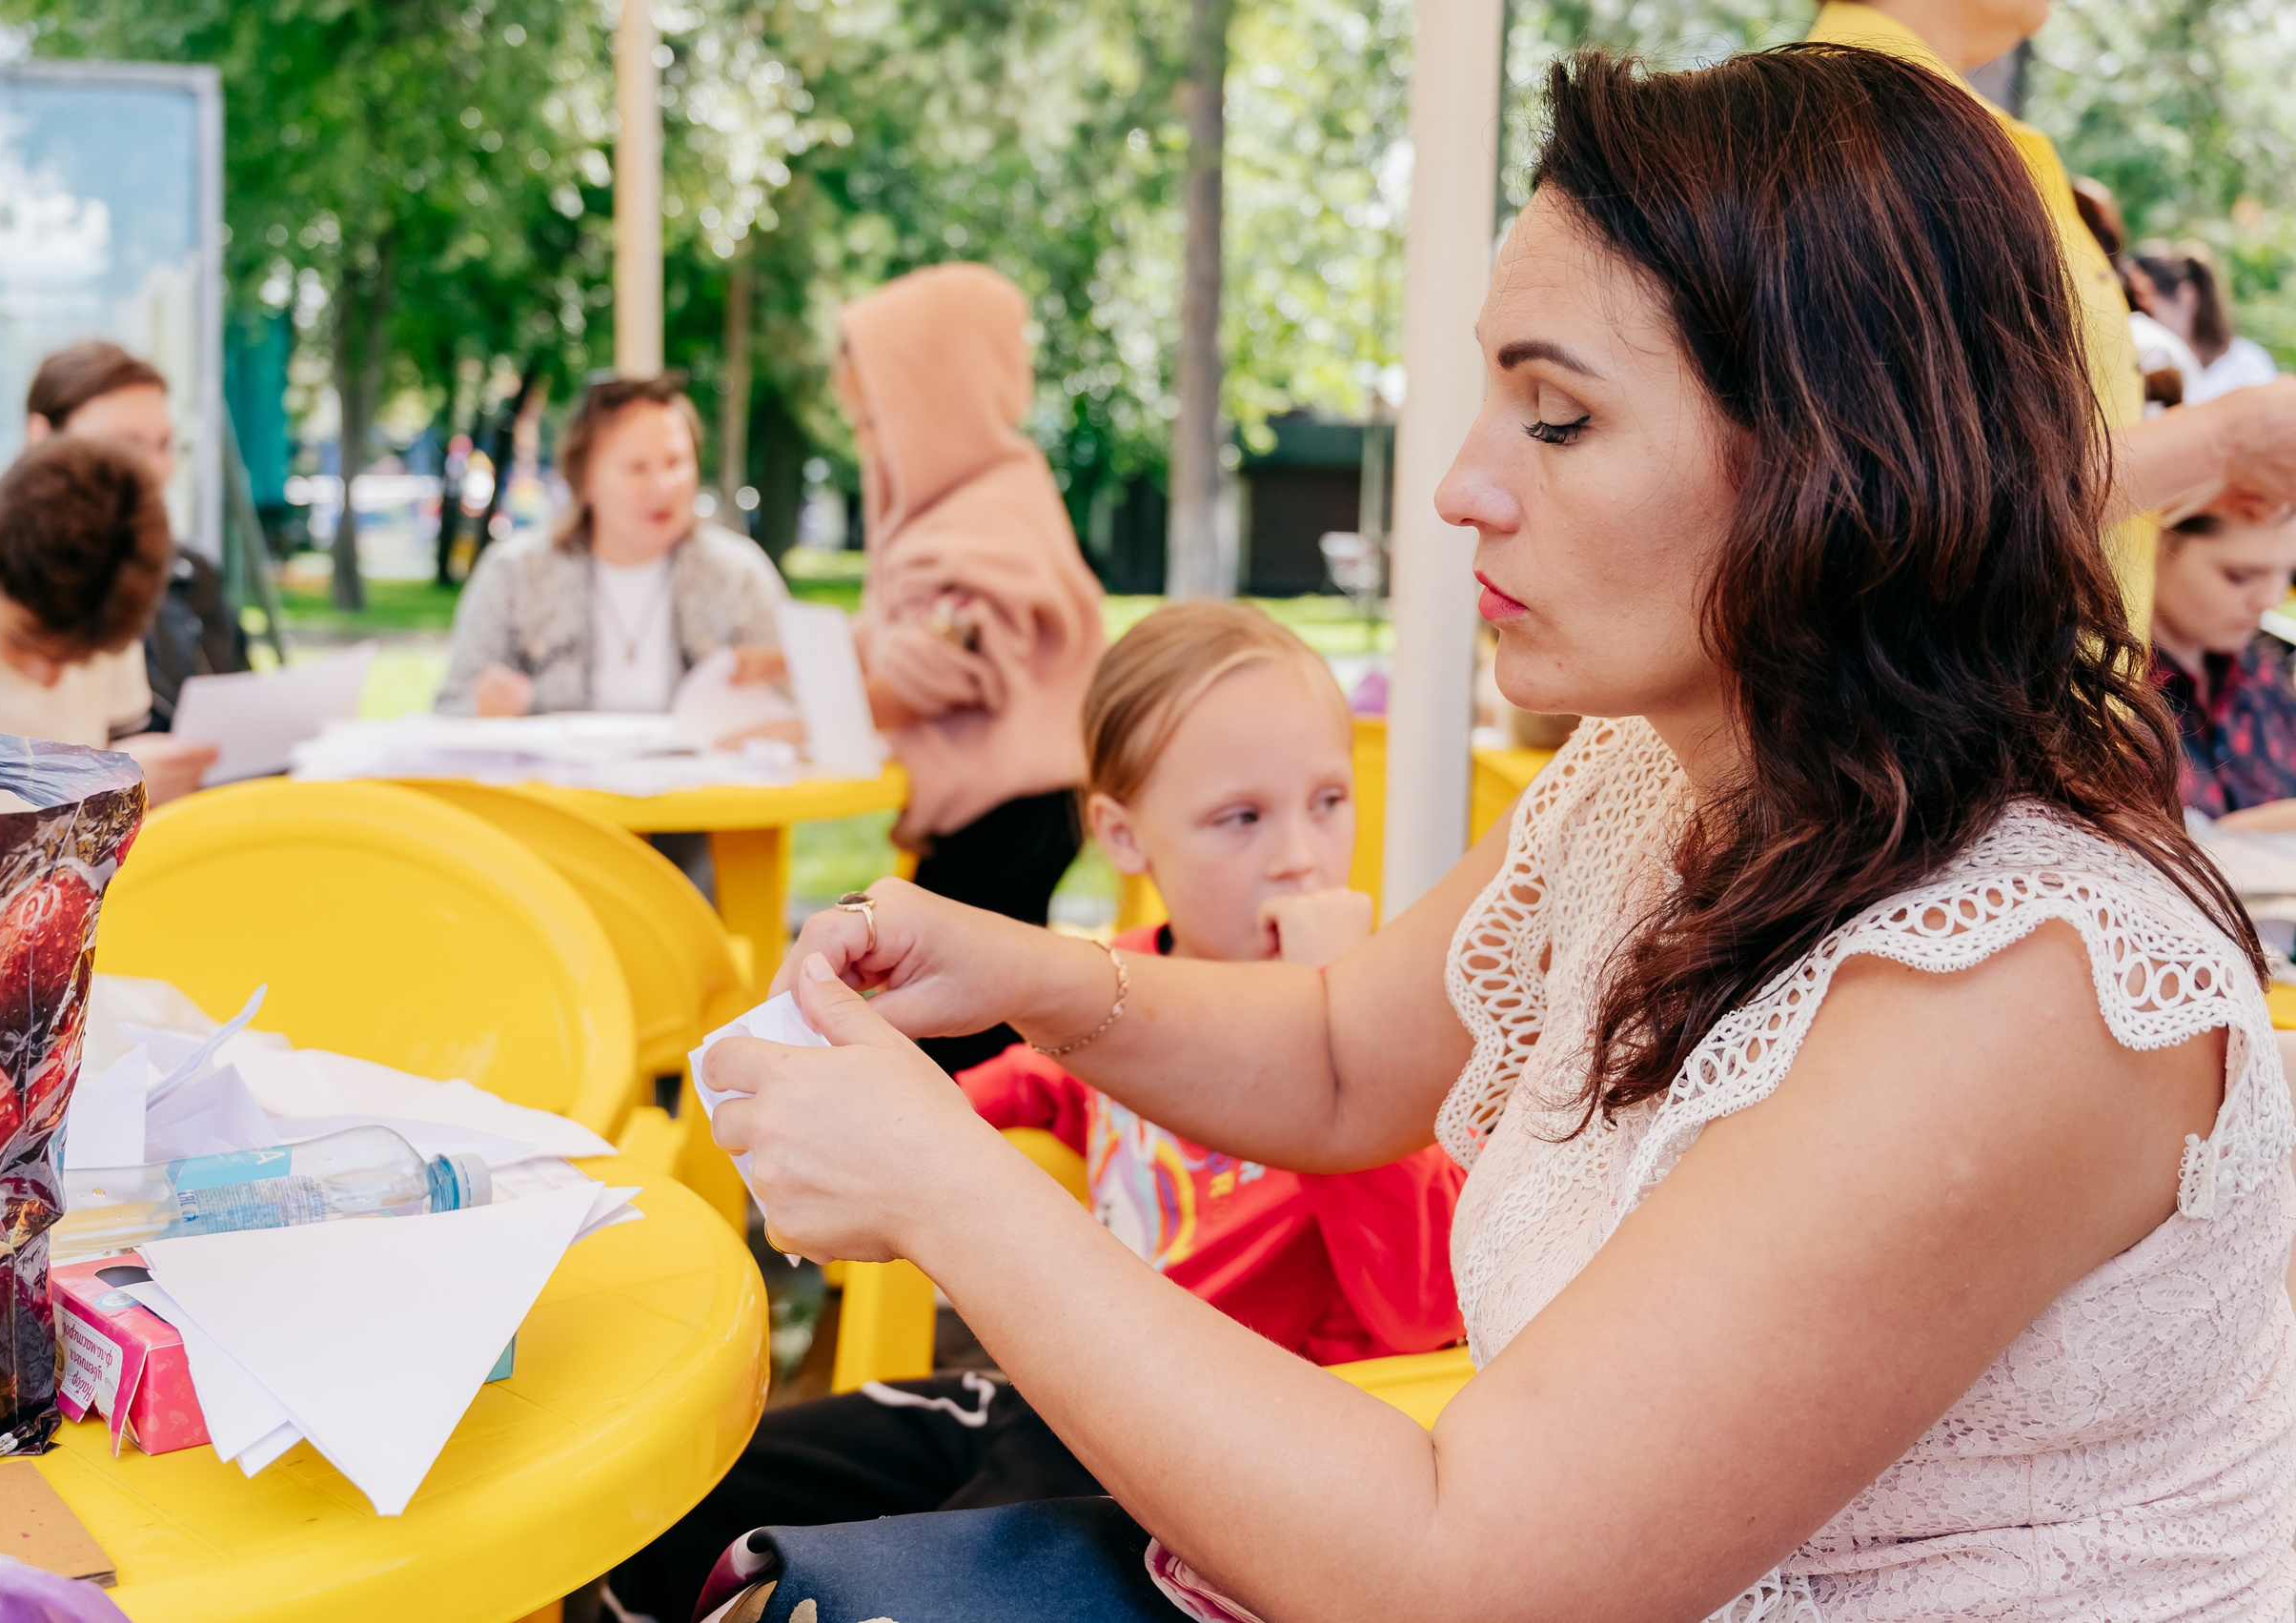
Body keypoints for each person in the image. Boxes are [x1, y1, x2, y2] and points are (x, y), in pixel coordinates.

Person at [702, 46, 2294, 1620]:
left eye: (1559, 417)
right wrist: (1023, 974)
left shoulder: (2017, 984)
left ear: (1838, 462)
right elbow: (1342, 1054)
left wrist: (948, 1186)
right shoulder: (1658, 772)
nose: (1462, 484)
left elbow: (1468, 1572)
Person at [607, 601, 1462, 1620]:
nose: (1299, 856)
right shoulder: (1114, 994)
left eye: (1328, 801)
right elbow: (1029, 1085)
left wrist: (1331, 1008)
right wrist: (880, 1113)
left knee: (866, 1579)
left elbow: (1421, 1305)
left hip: (1249, 1465)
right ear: (1121, 834)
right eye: (1242, 817)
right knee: (681, 1488)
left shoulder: (1400, 1039)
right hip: (1063, 1391)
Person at [1807, 0, 2296, 623]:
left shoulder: (1927, 127)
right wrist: (2223, 440)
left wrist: (2189, 475)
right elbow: (1891, 508)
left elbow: (2016, 481)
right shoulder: (1859, 131)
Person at [835, 264, 1107, 1073]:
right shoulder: (976, 505)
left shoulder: (983, 519)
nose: (867, 447)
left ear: (936, 408)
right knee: (960, 995)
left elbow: (939, 665)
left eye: (877, 424)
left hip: (1011, 815)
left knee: (959, 1014)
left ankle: (984, 1122)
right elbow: (900, 631)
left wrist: (813, 717)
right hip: (1011, 810)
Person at [0, 436, 216, 801]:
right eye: (23, 642)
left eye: (80, 660)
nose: (48, 681)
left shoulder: (107, 584)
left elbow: (117, 738)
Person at [435, 372, 788, 721]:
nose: (662, 485)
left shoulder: (738, 575)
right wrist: (485, 706)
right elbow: (452, 706)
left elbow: (792, 703)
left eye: (675, 462)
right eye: (637, 468)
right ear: (584, 479)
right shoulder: (516, 572)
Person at [18, 340, 252, 729]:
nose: (155, 469)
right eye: (125, 446)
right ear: (41, 438)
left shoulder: (190, 573)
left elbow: (242, 698)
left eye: (164, 445)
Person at [2147, 508, 2296, 826]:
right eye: (2239, 575)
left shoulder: (2264, 677)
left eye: (2288, 573)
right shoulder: (2105, 696)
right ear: (2156, 548)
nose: (2270, 600)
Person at [2136, 246, 2282, 405]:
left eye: (2146, 310)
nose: (2139, 320)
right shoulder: (2147, 366)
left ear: (2186, 295)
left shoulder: (2247, 365)